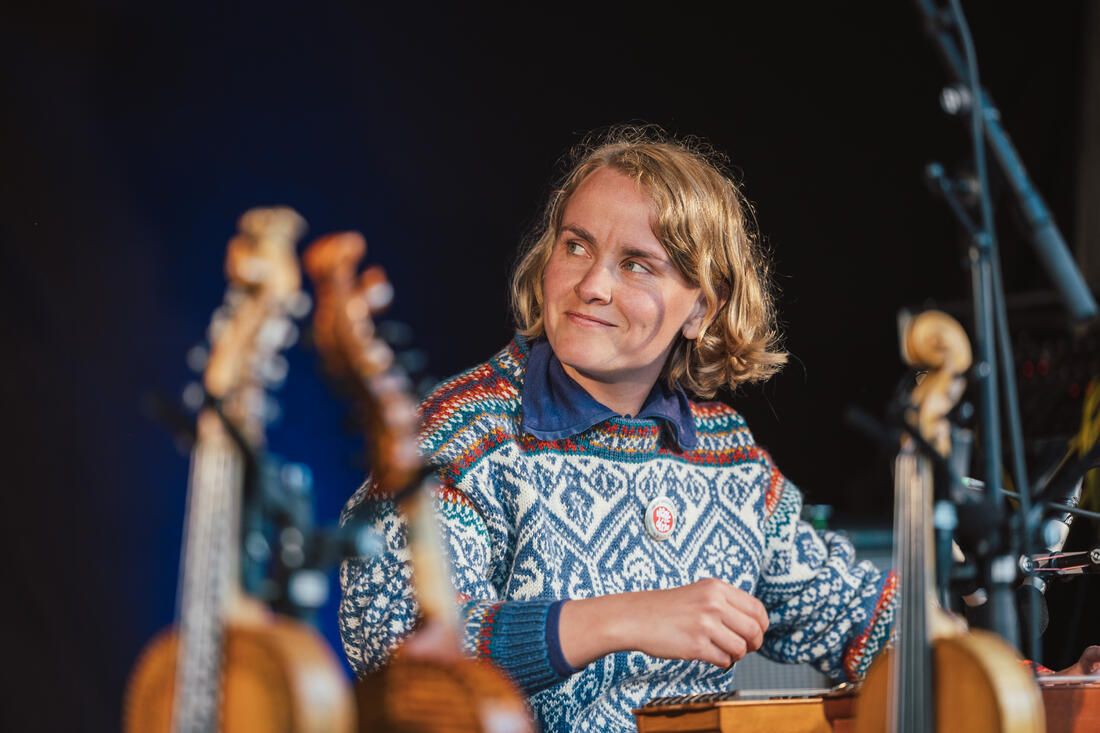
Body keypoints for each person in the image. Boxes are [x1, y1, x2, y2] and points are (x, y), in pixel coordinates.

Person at [335, 126, 1092, 732]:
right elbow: (393, 646)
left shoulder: (724, 454)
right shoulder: (464, 431)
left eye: (638, 264)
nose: (591, 283)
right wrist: (619, 619)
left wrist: (1026, 682)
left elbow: (856, 613)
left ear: (702, 307)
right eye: (576, 245)